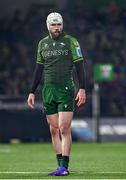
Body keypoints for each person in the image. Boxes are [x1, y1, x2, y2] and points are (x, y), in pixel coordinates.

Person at [27, 12, 86, 176]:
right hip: (48, 90)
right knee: (53, 129)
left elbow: (80, 66)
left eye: (59, 24)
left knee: (64, 127)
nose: (56, 28)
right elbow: (38, 69)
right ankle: (60, 165)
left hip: (66, 89)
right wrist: (32, 91)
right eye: (53, 25)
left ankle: (64, 167)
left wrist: (82, 88)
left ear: (62, 25)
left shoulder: (71, 41)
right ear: (48, 26)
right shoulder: (42, 44)